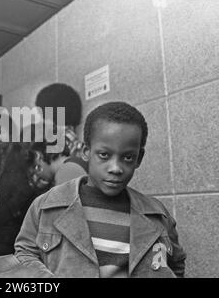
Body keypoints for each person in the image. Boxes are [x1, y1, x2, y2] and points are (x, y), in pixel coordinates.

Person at [14, 102, 186, 277]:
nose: (115, 168)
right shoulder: (46, 206)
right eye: (104, 155)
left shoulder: (157, 216)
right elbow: (25, 253)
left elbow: (176, 265)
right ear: (86, 151)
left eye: (127, 157)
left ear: (139, 158)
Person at [0, 114, 37, 256]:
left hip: (12, 227)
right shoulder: (1, 155)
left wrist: (13, 209)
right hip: (0, 226)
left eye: (1, 132)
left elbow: (25, 188)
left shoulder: (21, 153)